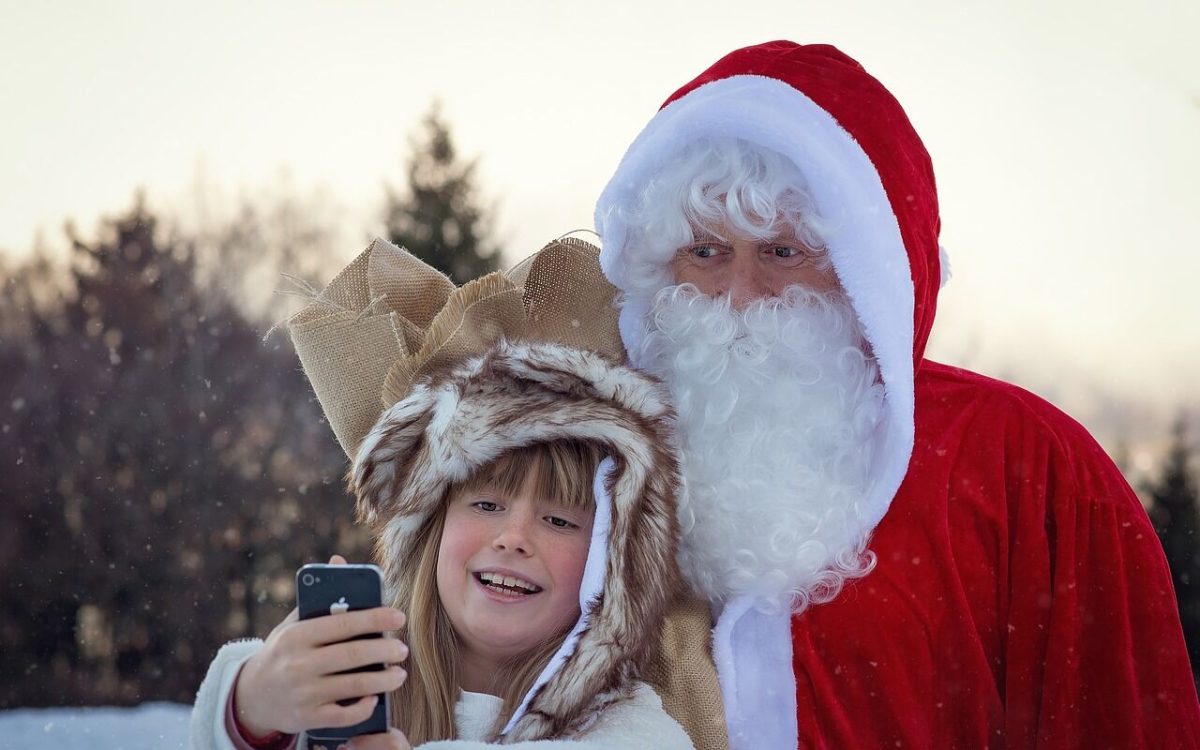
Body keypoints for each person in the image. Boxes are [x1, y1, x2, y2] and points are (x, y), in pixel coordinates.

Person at [592, 40, 1200, 749]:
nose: (739, 295)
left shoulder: (1027, 465)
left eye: (783, 253)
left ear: (863, 273)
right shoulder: (582, 455)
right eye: (706, 252)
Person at [190, 241, 693, 750]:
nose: (514, 538)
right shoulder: (342, 698)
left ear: (611, 565)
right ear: (431, 529)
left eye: (559, 520)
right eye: (487, 505)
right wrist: (254, 705)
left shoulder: (632, 734)